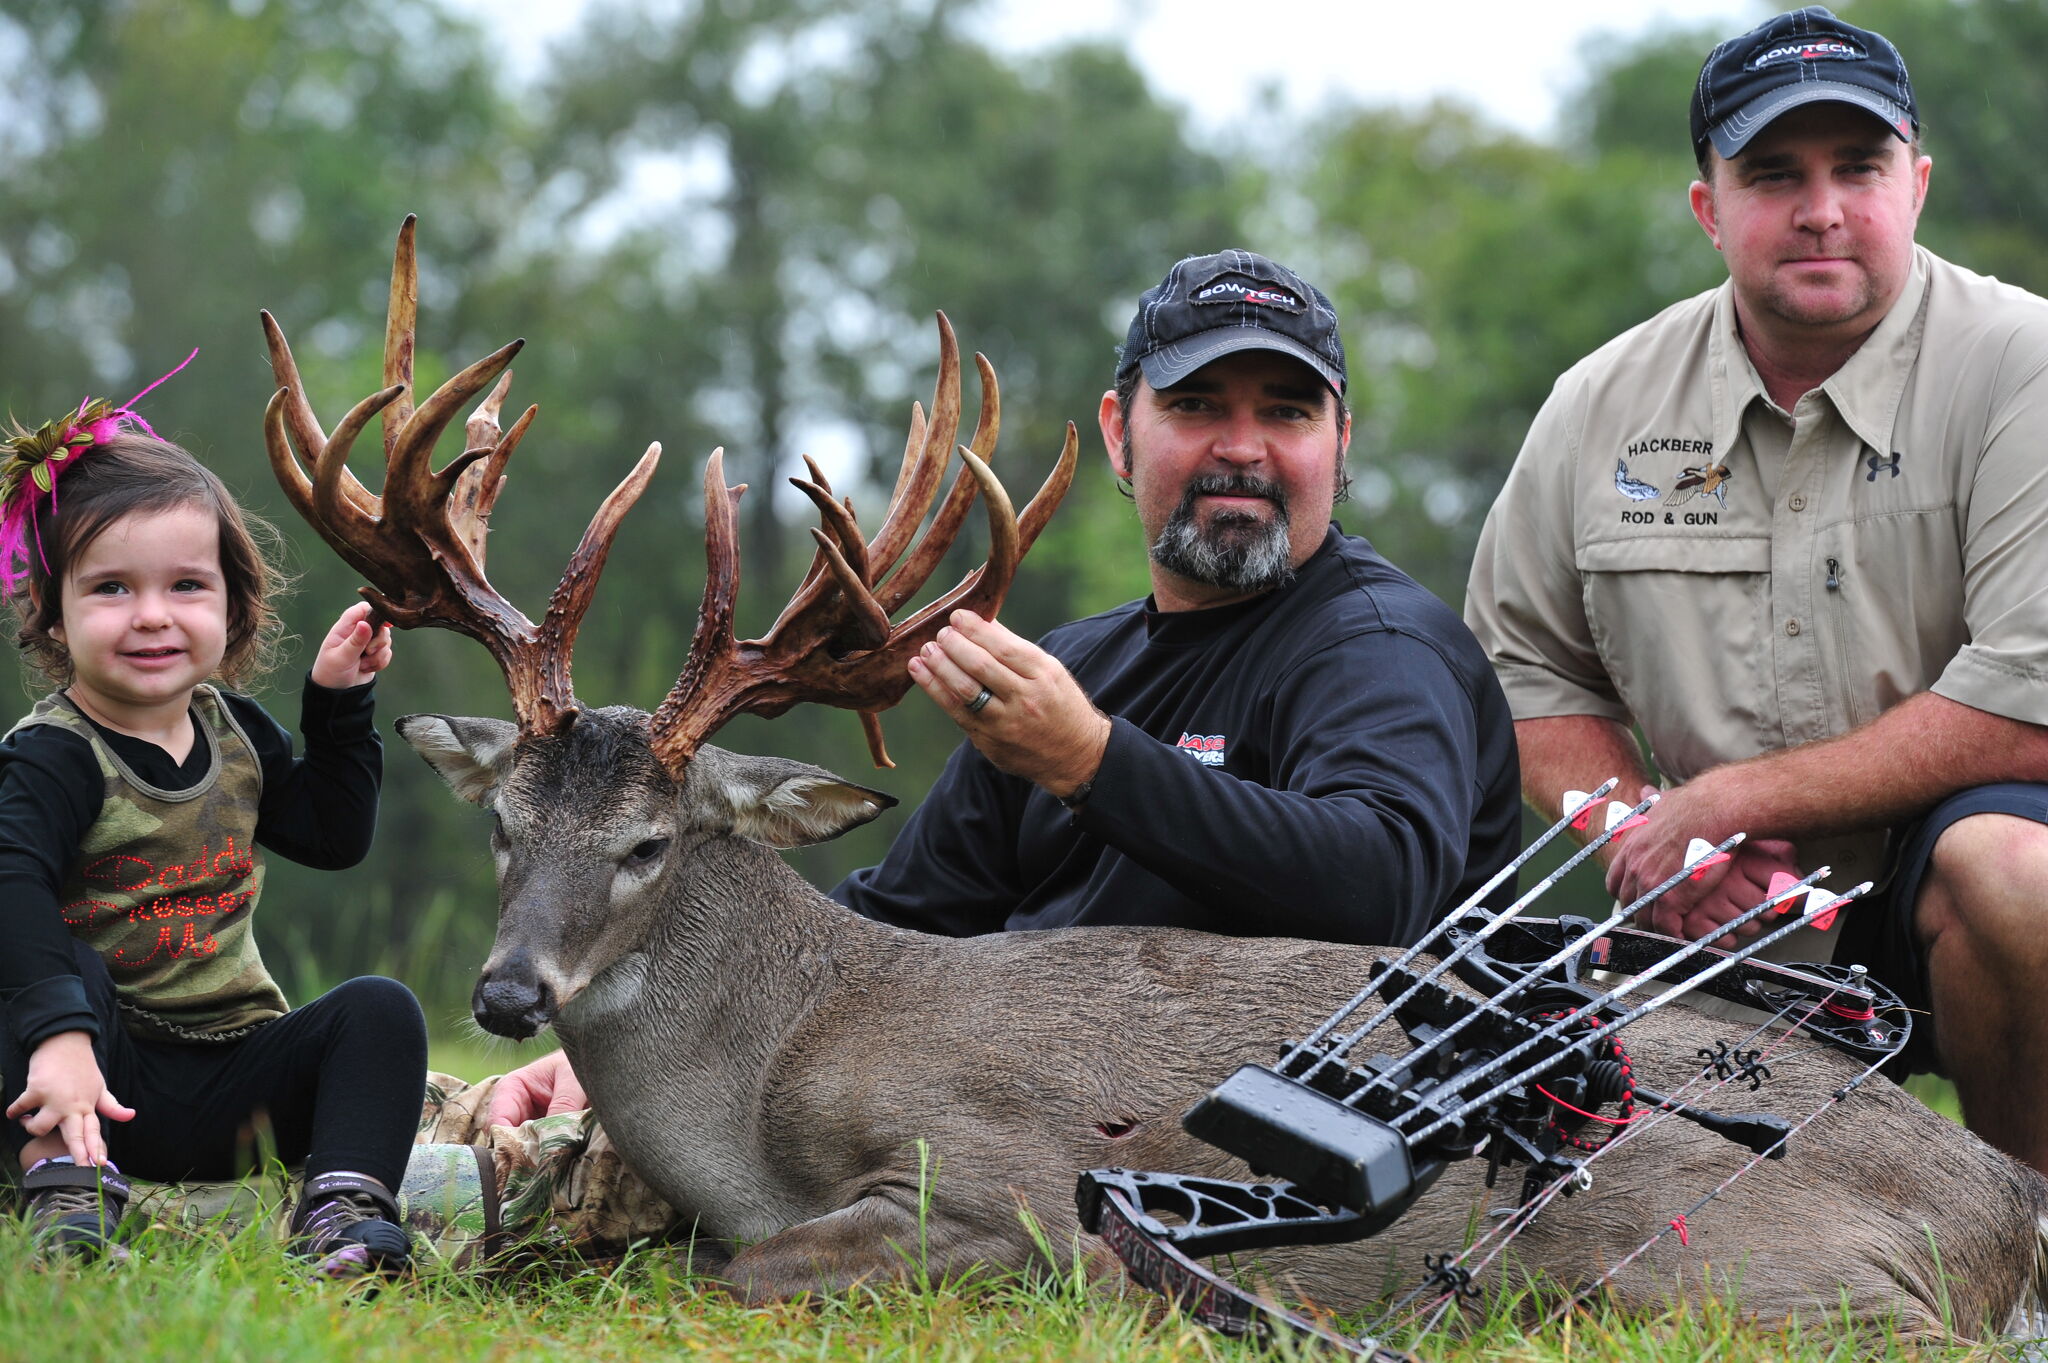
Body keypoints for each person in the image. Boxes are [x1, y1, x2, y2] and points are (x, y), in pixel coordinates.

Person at [489, 248, 1524, 1125]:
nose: (1241, 448)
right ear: (1121, 433)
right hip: (1017, 1102)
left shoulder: (1378, 648)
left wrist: (1091, 764)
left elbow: (1384, 886)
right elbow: (896, 924)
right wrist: (603, 1064)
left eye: (1287, 412)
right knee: (470, 1135)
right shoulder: (1072, 667)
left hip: (1232, 1128)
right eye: (1197, 406)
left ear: (1339, 444)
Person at [1464, 5, 2048, 1174]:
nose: (1821, 209)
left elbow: (2027, 701)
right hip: (1715, 911)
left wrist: (1720, 798)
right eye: (1773, 174)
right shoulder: (1598, 402)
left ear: (1916, 185)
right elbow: (1514, 671)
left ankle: (2030, 1244)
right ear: (1707, 209)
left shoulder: (2020, 364)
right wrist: (1641, 832)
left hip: (1975, 876)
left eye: (1858, 167)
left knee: (2009, 871)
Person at [0, 375, 428, 1274]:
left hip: (239, 1077)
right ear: (53, 610)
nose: (152, 614)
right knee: (44, 965)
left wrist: (338, 706)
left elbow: (331, 835)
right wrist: (62, 1041)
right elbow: (12, 883)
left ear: (232, 604)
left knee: (379, 1011)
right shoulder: (54, 756)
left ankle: (344, 1212)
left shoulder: (233, 730)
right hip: (91, 1077)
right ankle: (66, 1196)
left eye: (186, 585)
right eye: (111, 587)